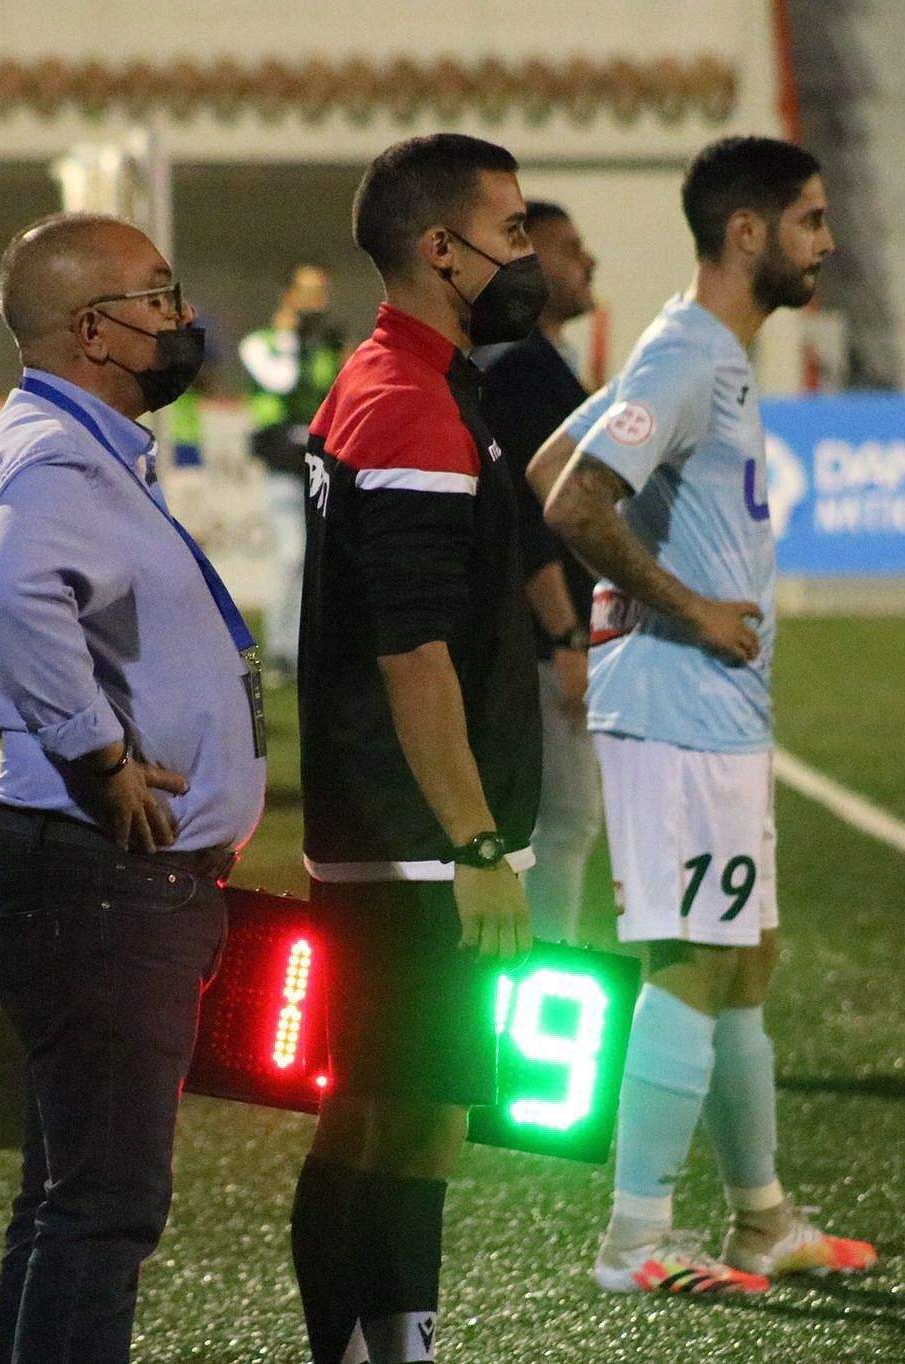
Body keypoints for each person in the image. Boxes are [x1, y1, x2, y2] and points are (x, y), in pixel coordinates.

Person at [531, 135, 877, 1296]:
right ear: (748, 233)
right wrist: (683, 607)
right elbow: (576, 500)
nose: (826, 242)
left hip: (717, 714)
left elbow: (545, 464)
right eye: (811, 221)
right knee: (688, 960)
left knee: (744, 960)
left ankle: (759, 1218)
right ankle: (633, 1241)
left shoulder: (703, 352)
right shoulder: (686, 352)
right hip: (675, 710)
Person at [0, 211, 265, 1364]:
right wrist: (98, 754)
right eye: (161, 295)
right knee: (104, 1204)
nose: (183, 317)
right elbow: (10, 597)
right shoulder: (54, 453)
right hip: (98, 880)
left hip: (93, 881)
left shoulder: (68, 443)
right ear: (94, 330)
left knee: (71, 1197)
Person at [291, 133, 546, 1364]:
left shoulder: (390, 375)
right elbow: (412, 651)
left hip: (378, 832)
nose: (526, 250)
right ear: (439, 247)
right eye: (509, 228)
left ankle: (344, 1349)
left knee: (365, 1117)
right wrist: (475, 840)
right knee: (422, 1126)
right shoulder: (406, 400)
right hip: (416, 844)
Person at [477, 200, 600, 944]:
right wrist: (563, 633)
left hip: (548, 636)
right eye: (571, 247)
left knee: (564, 819)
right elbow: (530, 511)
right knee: (564, 820)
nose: (589, 264)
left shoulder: (542, 363)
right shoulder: (525, 371)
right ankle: (543, 974)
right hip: (544, 639)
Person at [239, 263, 344, 678]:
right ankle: (284, 651)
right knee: (291, 555)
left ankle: (304, 650)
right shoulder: (260, 343)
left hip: (317, 465)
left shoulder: (322, 348)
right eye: (309, 291)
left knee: (315, 558)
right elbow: (280, 381)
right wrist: (295, 340)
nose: (318, 301)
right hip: (282, 464)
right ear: (288, 295)